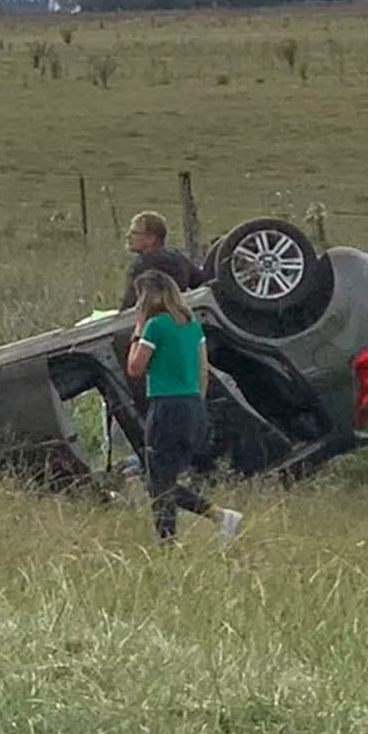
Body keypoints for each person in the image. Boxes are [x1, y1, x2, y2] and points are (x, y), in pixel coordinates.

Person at [126, 269, 242, 545]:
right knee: (165, 477)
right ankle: (192, 528)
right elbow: (203, 371)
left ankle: (189, 530)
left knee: (157, 480)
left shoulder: (155, 326)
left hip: (166, 405)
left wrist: (137, 331)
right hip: (192, 404)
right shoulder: (192, 327)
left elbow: (135, 367)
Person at [118, 211, 206, 310]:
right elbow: (202, 285)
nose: (128, 236)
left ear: (150, 238)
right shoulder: (179, 258)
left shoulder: (142, 264)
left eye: (134, 233)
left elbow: (129, 306)